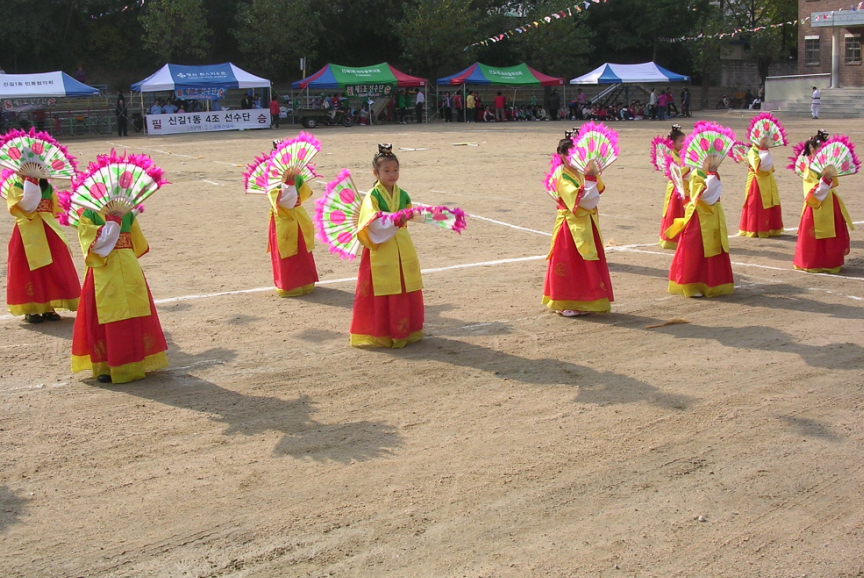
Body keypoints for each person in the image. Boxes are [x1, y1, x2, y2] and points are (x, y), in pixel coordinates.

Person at [71, 208, 168, 384]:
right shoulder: (91, 213)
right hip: (109, 267)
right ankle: (110, 364)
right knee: (110, 314)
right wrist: (114, 222)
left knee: (133, 311)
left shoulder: (108, 213)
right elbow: (103, 248)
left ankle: (131, 362)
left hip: (120, 266)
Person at [349, 144, 424, 348]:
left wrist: (427, 216)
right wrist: (396, 219)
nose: (392, 174)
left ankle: (406, 330)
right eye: (386, 170)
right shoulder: (372, 196)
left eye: (395, 170)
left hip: (402, 244)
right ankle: (384, 332)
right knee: (385, 288)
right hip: (381, 246)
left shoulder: (403, 194)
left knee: (405, 283)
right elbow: (370, 222)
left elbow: (411, 214)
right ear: (376, 172)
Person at [542, 132, 614, 317]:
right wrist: (590, 179)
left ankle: (585, 301)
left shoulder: (582, 171)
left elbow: (595, 195)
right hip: (570, 226)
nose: (572, 159)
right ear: (561, 156)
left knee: (585, 264)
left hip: (587, 222)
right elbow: (584, 201)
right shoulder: (562, 177)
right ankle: (567, 302)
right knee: (570, 263)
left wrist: (591, 176)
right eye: (568, 155)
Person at [5, 174, 80, 322]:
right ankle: (31, 309)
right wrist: (30, 186)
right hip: (26, 230)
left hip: (48, 230)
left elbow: (56, 209)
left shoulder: (47, 187)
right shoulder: (16, 186)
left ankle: (49, 306)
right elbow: (25, 207)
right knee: (29, 268)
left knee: (51, 268)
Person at [666, 157, 734, 298]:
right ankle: (692, 284)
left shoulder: (711, 173)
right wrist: (712, 177)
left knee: (715, 245)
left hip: (712, 214)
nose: (714, 160)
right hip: (698, 217)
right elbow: (702, 196)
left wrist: (713, 176)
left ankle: (712, 283)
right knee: (695, 249)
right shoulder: (697, 174)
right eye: (711, 157)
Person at [793, 130, 855, 273]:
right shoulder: (809, 169)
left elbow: (834, 183)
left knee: (831, 232)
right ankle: (813, 262)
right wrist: (825, 180)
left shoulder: (827, 167)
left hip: (830, 201)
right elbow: (811, 192)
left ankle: (830, 262)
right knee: (815, 234)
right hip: (815, 205)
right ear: (813, 149)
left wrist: (828, 178)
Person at [268, 166, 318, 297]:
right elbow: (299, 197)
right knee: (293, 250)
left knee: (298, 250)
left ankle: (297, 284)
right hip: (287, 217)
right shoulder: (276, 177)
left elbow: (288, 201)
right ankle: (298, 284)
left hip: (287, 217)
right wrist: (291, 185)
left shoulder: (272, 176)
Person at [739, 135, 783, 238]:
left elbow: (770, 167)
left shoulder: (763, 150)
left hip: (767, 179)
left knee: (771, 201)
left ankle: (770, 227)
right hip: (756, 181)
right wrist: (764, 153)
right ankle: (755, 229)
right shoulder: (753, 151)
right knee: (756, 204)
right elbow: (759, 167)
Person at [658, 125, 689, 249]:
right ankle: (672, 239)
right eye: (681, 141)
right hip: (676, 188)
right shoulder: (672, 155)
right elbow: (678, 171)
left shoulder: (680, 154)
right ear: (672, 143)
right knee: (674, 212)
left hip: (683, 186)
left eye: (685, 140)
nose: (684, 143)